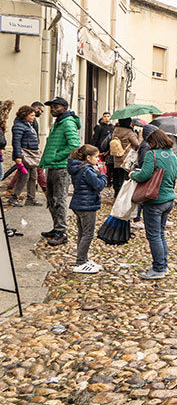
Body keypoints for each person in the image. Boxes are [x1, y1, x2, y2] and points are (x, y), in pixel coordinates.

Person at [130, 130, 177, 280]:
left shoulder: (152, 154)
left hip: (155, 200)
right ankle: (163, 266)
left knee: (154, 236)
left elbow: (144, 175)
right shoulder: (173, 156)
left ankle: (158, 269)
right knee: (160, 234)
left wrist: (133, 174)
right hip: (169, 199)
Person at [39, 98, 81, 247]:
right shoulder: (59, 122)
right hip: (52, 166)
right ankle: (56, 227)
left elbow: (74, 145)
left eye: (56, 107)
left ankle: (61, 232)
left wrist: (56, 156)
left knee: (59, 199)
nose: (53, 109)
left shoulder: (68, 123)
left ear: (64, 107)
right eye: (51, 107)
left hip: (61, 167)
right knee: (51, 199)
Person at [67, 144, 106, 274]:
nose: (98, 159)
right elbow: (98, 185)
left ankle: (83, 258)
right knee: (88, 234)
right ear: (88, 157)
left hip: (79, 203)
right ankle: (80, 262)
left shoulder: (79, 167)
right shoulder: (87, 170)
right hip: (87, 205)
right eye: (96, 157)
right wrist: (103, 174)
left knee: (82, 233)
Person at [7, 105, 41, 208]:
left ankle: (31, 198)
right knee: (24, 176)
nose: (34, 117)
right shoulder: (19, 126)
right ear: (25, 115)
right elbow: (16, 142)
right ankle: (13, 198)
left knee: (33, 176)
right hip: (24, 154)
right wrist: (18, 156)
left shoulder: (29, 125)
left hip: (32, 155)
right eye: (31, 115)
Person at [111, 118, 140, 198]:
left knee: (117, 177)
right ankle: (123, 196)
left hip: (116, 156)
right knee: (125, 178)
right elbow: (137, 144)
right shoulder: (129, 132)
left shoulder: (115, 130)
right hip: (126, 157)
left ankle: (117, 194)